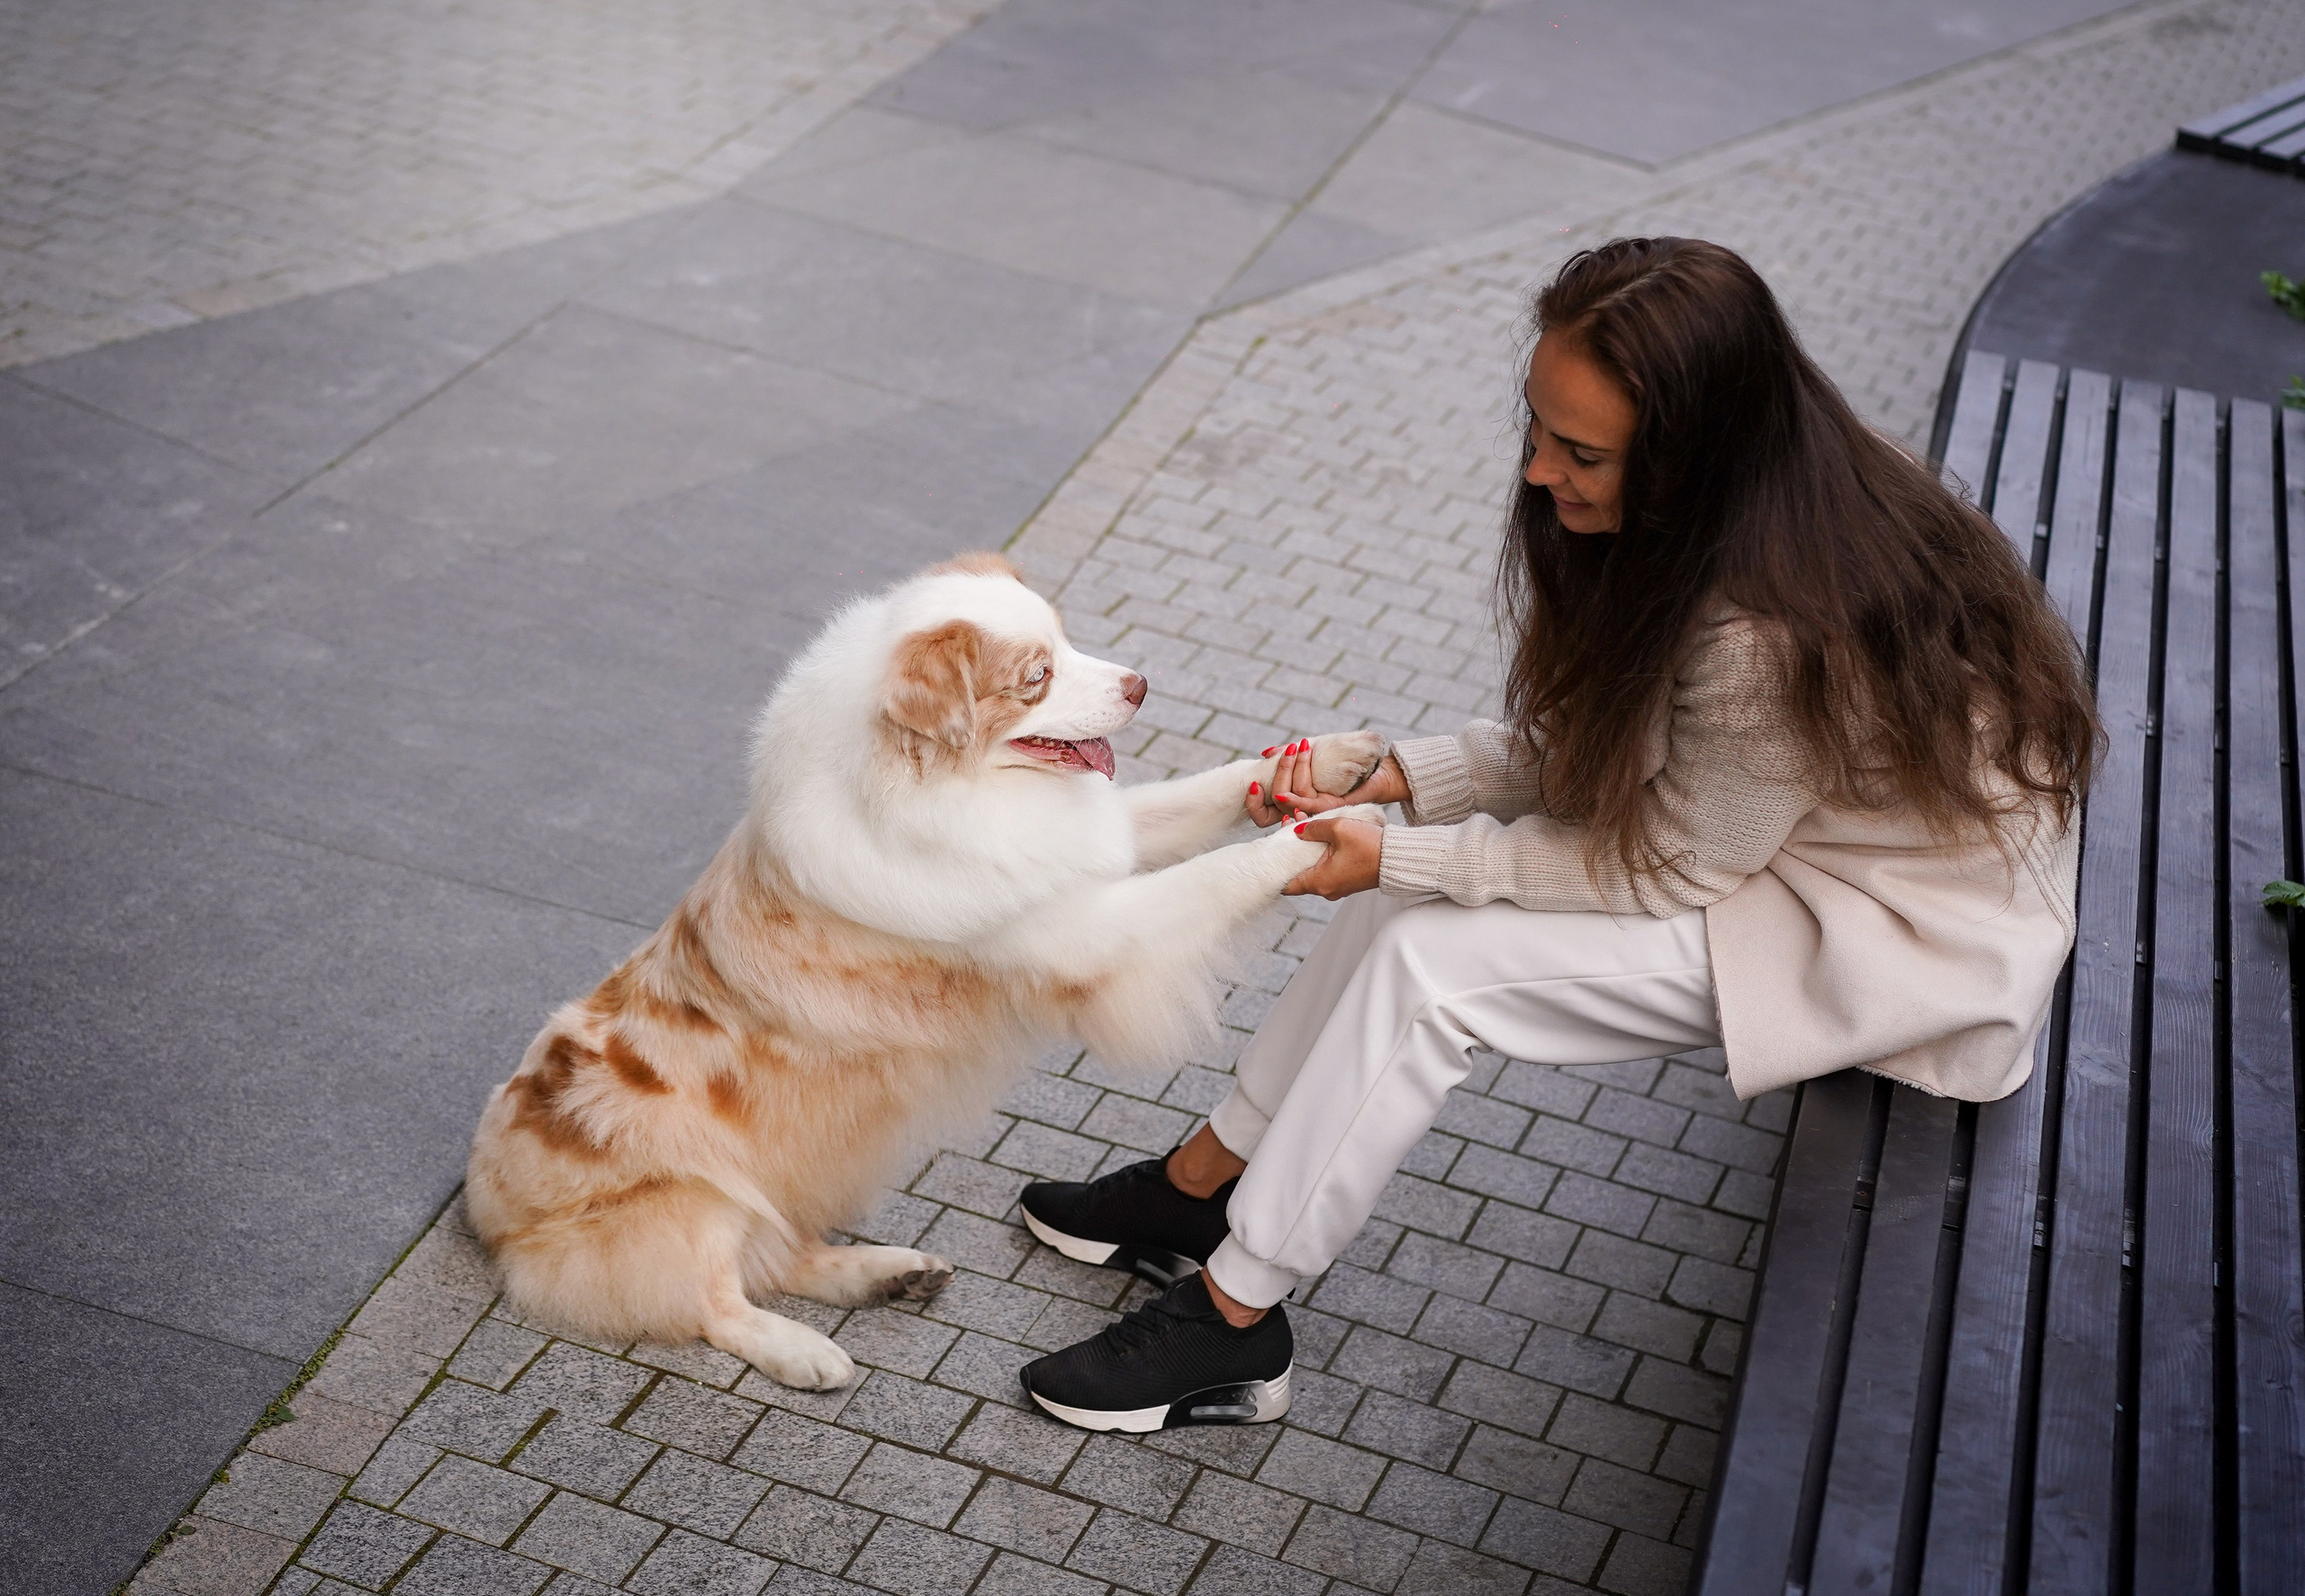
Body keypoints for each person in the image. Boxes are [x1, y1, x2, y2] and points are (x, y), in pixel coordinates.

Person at [1009, 237, 2099, 1434]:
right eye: (1538, 427)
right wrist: (1391, 777)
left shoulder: (1765, 630)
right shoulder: (1762, 497)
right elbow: (1604, 745)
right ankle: (1202, 1185)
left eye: (1581, 452)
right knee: (1404, 877)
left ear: (1694, 453)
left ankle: (1235, 1320)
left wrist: (1405, 845)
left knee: (1436, 966)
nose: (1538, 473)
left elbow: (1669, 860)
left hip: (1899, 931)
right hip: (1787, 842)